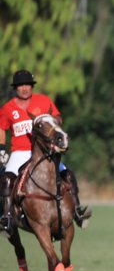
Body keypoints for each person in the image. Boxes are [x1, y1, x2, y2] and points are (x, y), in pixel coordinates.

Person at [0, 70, 91, 235]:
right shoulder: (8, 108)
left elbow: (58, 118)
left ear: (32, 86)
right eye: (20, 85)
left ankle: (78, 212)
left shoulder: (43, 101)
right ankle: (7, 218)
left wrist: (48, 120)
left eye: (27, 85)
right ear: (15, 88)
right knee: (7, 179)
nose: (24, 88)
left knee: (68, 174)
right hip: (20, 151)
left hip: (44, 150)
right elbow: (1, 128)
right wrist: (1, 149)